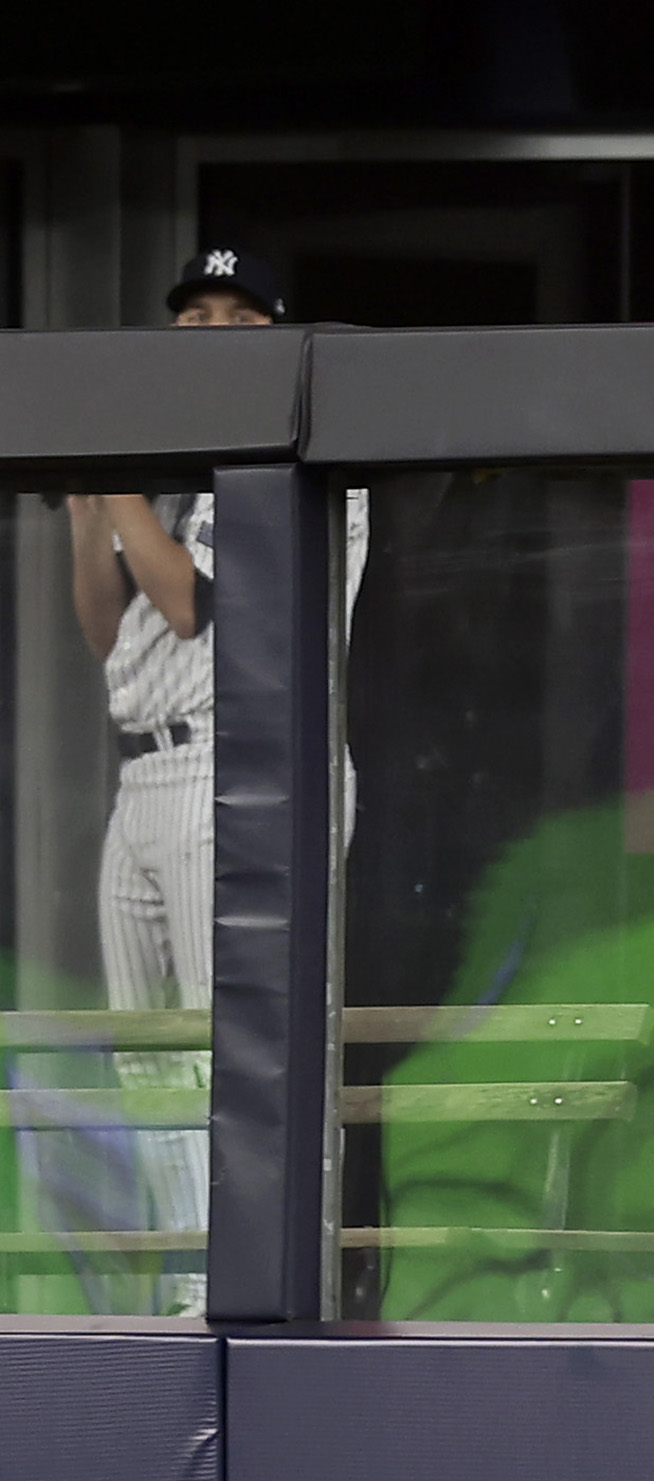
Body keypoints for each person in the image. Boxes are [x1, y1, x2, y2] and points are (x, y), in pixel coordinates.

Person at [66, 249, 365, 1253]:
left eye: (243, 315)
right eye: (197, 314)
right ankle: (181, 1262)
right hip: (142, 766)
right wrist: (89, 505)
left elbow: (192, 605)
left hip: (241, 764)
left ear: (279, 332)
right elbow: (105, 627)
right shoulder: (149, 458)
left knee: (217, 1039)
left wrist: (113, 487)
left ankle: (235, 1267)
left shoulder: (303, 459)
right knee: (145, 1046)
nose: (215, 331)